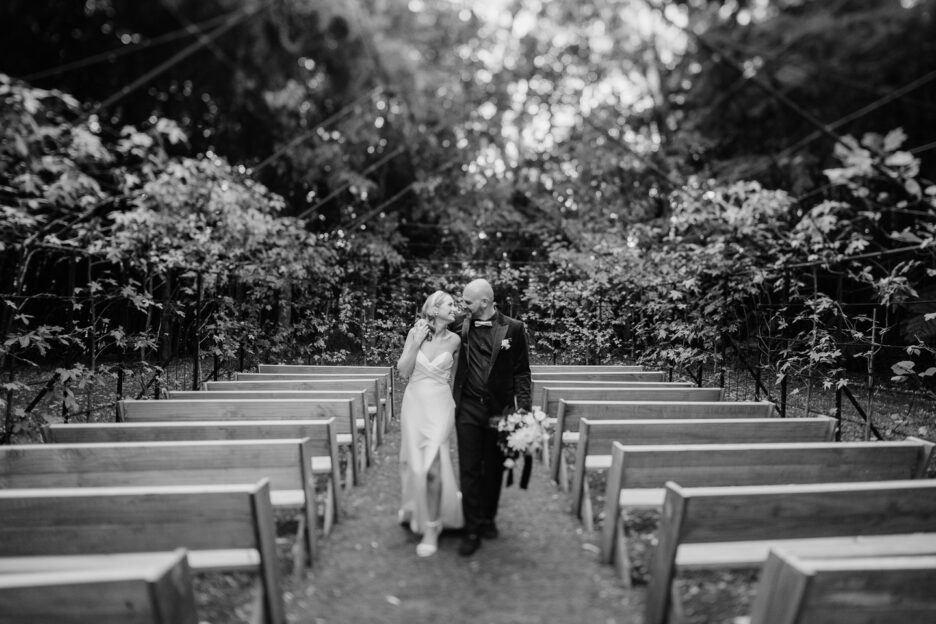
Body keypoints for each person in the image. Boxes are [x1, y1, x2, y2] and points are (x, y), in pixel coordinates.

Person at [451, 278, 532, 557]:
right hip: (468, 408)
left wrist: (523, 410)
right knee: (470, 468)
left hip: (500, 411)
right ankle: (471, 528)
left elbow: (522, 372)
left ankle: (488, 518)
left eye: (467, 301)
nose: (463, 305)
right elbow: (434, 328)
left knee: (494, 468)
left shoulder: (515, 329)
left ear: (485, 302)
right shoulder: (459, 324)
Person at [396, 290, 464, 557]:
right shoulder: (415, 333)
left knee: (433, 467)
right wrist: (415, 341)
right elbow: (403, 371)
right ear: (435, 309)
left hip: (440, 404)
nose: (454, 308)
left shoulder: (457, 340)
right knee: (415, 464)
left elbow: (455, 378)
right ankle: (415, 507)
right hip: (414, 405)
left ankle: (432, 528)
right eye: (449, 304)